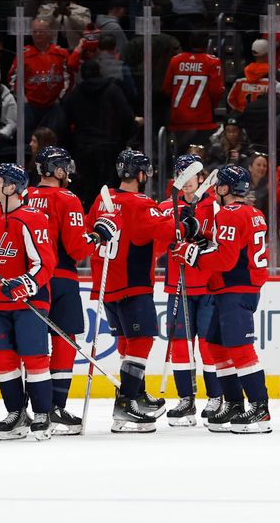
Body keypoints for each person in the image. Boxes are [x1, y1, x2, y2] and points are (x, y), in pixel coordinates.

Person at [86, 151, 184, 433]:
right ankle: (126, 402)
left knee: (127, 340)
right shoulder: (140, 203)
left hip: (107, 284)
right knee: (141, 339)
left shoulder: (102, 200)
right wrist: (182, 220)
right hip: (133, 282)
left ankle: (136, 394)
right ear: (141, 174)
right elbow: (164, 233)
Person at [171, 164, 271, 434]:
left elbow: (225, 259)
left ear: (225, 188)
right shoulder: (253, 213)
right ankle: (235, 404)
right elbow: (229, 248)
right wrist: (199, 240)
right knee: (216, 344)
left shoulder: (229, 214)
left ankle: (260, 408)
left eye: (218, 186)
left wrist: (190, 253)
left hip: (235, 289)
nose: (215, 190)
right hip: (232, 288)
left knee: (240, 348)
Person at [0, 164, 56, 440]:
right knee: (3, 360)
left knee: (34, 357)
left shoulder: (32, 218)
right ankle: (16, 413)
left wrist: (26, 283)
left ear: (12, 187)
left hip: (28, 301)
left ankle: (42, 413)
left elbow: (45, 262)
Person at [26, 146, 106, 434]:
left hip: (28, 280)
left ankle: (26, 408)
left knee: (30, 343)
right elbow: (77, 246)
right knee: (64, 339)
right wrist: (98, 235)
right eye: (65, 167)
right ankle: (55, 406)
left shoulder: (23, 196)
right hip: (59, 278)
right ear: (58, 170)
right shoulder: (66, 198)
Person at [158, 155, 223, 427]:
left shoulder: (215, 207)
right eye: (180, 175)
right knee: (181, 347)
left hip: (207, 286)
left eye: (191, 174)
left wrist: (198, 244)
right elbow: (161, 242)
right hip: (178, 286)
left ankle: (216, 397)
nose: (185, 180)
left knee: (209, 347)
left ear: (201, 177)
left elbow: (220, 245)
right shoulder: (166, 207)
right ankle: (186, 399)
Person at [63, 60, 135, 210]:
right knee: (112, 191)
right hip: (111, 147)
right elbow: (126, 117)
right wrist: (126, 138)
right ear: (100, 72)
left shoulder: (74, 95)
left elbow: (64, 125)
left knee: (90, 192)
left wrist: (73, 148)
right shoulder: (113, 90)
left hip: (85, 149)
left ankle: (91, 224)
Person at [163, 31, 224, 154]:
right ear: (207, 44)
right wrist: (213, 106)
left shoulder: (175, 60)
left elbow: (167, 88)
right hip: (203, 120)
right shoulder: (212, 62)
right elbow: (216, 91)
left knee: (180, 158)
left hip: (178, 120)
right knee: (200, 160)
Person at [8, 18, 70, 138]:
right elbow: (12, 78)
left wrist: (60, 96)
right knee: (28, 140)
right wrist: (22, 98)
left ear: (49, 32)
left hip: (53, 106)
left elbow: (68, 78)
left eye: (41, 31)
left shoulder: (61, 53)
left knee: (52, 139)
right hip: (29, 106)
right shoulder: (23, 54)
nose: (37, 35)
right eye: (35, 32)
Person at [227, 39, 272, 114]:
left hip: (244, 116)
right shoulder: (276, 75)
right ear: (269, 53)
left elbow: (230, 99)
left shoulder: (241, 76)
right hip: (265, 118)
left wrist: (241, 112)